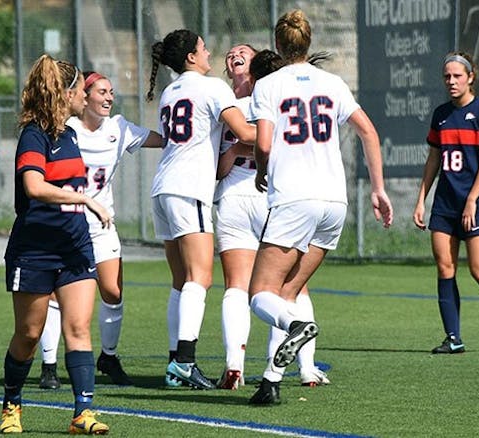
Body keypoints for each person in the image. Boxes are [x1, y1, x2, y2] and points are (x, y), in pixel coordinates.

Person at [248, 10, 393, 405]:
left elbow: (263, 144)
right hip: (334, 202)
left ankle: (296, 327)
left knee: (260, 293)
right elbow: (368, 131)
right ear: (307, 44)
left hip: (295, 199)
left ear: (277, 46)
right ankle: (270, 381)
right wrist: (378, 189)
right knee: (288, 292)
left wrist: (263, 172)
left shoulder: (269, 85)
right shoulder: (333, 83)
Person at [0, 54, 111, 435]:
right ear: (65, 93)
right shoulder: (34, 135)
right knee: (29, 335)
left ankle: (83, 413)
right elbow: (33, 186)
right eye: (82, 88)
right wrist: (83, 199)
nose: (86, 94)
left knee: (78, 327)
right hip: (34, 249)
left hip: (74, 245)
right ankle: (11, 403)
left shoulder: (72, 134)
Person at [37, 71, 163, 389]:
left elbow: (161, 139)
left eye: (111, 92)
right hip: (66, 223)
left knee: (113, 291)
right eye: (101, 92)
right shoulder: (67, 130)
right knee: (54, 295)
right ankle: (49, 366)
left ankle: (108, 356)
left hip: (102, 224)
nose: (108, 97)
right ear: (84, 95)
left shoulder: (119, 128)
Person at [214, 45, 329, 390]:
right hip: (271, 196)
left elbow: (222, 166)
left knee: (238, 285)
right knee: (291, 285)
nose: (236, 54)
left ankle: (235, 365)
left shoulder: (227, 108)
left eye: (243, 52)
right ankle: (303, 366)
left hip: (235, 197)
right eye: (232, 53)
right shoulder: (281, 99)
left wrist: (235, 150)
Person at [147, 29, 256, 389]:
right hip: (188, 187)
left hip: (163, 187)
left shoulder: (170, 90)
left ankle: (173, 362)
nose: (209, 52)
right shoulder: (211, 87)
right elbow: (245, 133)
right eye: (203, 48)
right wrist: (282, 130)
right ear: (191, 57)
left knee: (181, 282)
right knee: (200, 278)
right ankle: (185, 361)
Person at [413, 51, 479, 354]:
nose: (451, 81)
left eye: (457, 76)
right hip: (446, 204)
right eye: (447, 76)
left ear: (470, 77)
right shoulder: (441, 115)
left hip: (476, 203)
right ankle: (453, 338)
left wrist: (473, 199)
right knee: (445, 267)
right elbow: (433, 159)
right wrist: (421, 199)